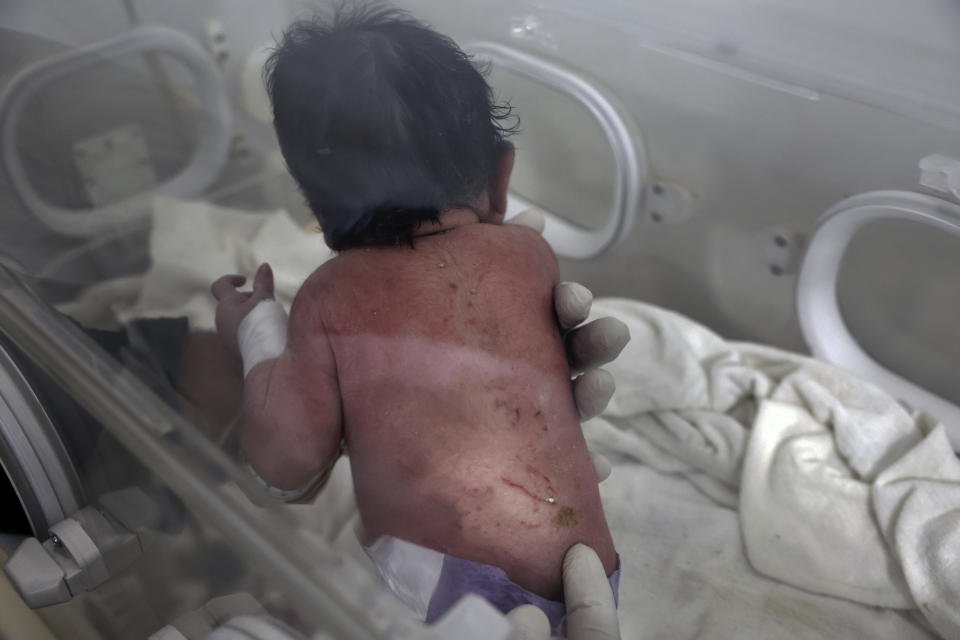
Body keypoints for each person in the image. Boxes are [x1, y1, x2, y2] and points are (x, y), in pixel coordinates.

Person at [211, 6, 627, 635]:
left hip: (439, 592)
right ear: (501, 175)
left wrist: (254, 330)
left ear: (319, 210)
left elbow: (285, 463)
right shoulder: (530, 257)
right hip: (588, 574)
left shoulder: (330, 297)